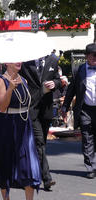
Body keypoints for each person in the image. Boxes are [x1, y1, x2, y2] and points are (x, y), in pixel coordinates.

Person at [0, 62, 41, 200]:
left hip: (24, 124)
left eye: (20, 59)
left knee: (29, 165)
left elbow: (28, 101)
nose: (19, 62)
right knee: (5, 163)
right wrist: (10, 89)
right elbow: (2, 106)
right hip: (6, 125)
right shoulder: (1, 81)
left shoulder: (24, 80)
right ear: (7, 63)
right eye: (15, 59)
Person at [20, 56, 61, 190]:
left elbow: (57, 79)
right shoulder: (26, 61)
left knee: (41, 144)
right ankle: (46, 178)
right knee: (39, 143)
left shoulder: (53, 60)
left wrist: (55, 84)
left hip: (46, 108)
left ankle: (28, 174)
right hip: (31, 107)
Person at [62, 43, 96, 179]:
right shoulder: (79, 70)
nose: (95, 58)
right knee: (87, 138)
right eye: (93, 55)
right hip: (85, 109)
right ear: (87, 56)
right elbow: (71, 90)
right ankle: (90, 167)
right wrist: (65, 106)